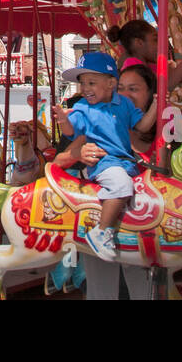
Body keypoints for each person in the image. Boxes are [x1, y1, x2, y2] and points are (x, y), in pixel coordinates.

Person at [51, 52, 142, 261]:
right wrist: (75, 147)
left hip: (127, 169)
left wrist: (158, 106)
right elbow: (65, 144)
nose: (85, 89)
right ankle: (100, 232)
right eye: (83, 84)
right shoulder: (87, 111)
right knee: (121, 185)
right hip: (106, 172)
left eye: (133, 89)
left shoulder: (123, 110)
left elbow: (142, 125)